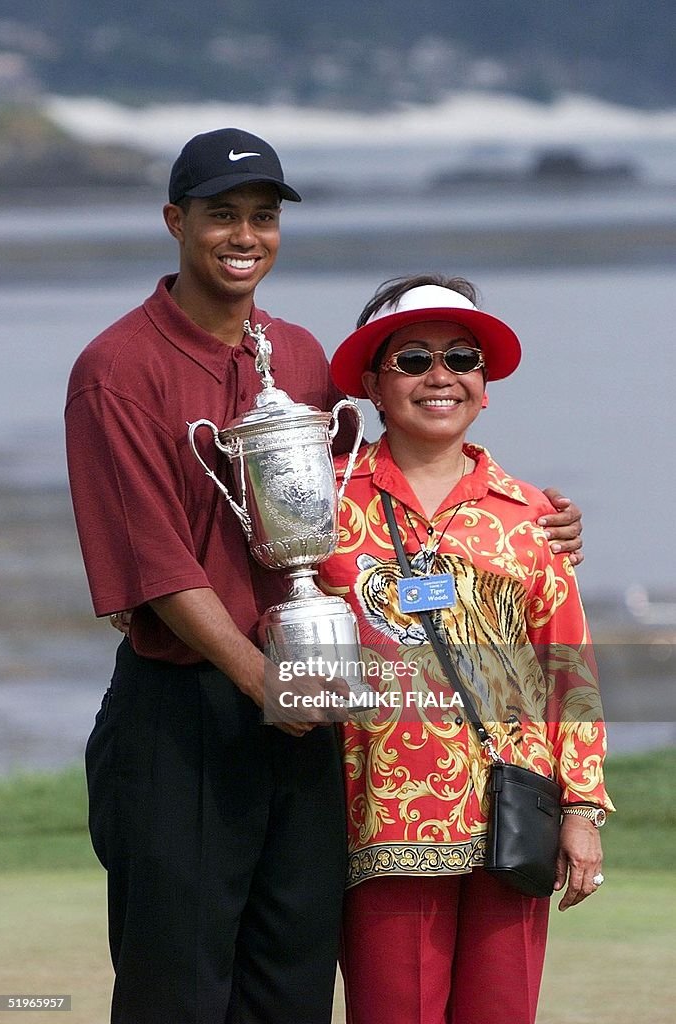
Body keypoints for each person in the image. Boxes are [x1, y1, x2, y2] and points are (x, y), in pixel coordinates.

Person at [65, 125, 585, 1024]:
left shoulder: (298, 354)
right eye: (220, 215)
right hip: (188, 709)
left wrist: (533, 518)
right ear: (173, 221)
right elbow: (154, 565)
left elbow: (370, 492)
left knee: (291, 984)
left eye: (261, 217)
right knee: (179, 991)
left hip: (307, 714)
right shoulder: (117, 370)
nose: (244, 235)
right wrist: (265, 680)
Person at [319, 274, 614, 1024]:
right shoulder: (325, 509)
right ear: (373, 387)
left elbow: (566, 672)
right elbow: (293, 658)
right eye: (413, 360)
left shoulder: (531, 517)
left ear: (485, 388)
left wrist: (581, 811)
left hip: (513, 815)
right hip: (375, 820)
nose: (441, 376)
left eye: (462, 358)